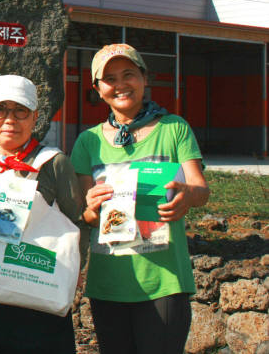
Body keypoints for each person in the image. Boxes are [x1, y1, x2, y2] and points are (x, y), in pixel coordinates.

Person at [70, 43, 210, 354]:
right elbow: (85, 217)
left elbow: (201, 191)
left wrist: (187, 194)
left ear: (145, 78)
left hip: (164, 281)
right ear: (97, 88)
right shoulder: (87, 141)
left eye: (128, 74)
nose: (120, 84)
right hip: (109, 284)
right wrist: (92, 207)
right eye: (110, 79)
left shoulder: (174, 129)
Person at [0, 75, 87, 354]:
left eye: (20, 110)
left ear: (35, 117)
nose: (10, 120)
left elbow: (77, 223)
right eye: (0, 110)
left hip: (44, 289)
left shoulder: (54, 164)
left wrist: (74, 271)